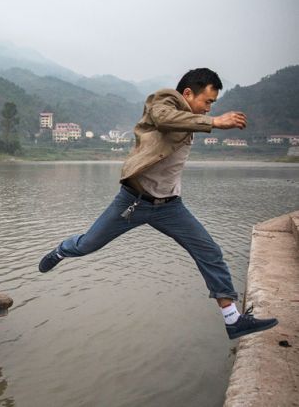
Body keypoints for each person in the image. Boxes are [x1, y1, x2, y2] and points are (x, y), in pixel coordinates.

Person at [38, 68, 278, 340]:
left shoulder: (191, 120)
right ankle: (60, 251)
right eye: (207, 101)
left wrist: (205, 119)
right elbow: (162, 119)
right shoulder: (163, 100)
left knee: (210, 251)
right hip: (134, 201)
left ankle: (233, 320)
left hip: (170, 207)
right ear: (187, 94)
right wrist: (215, 122)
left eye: (212, 104)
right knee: (87, 244)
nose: (209, 108)